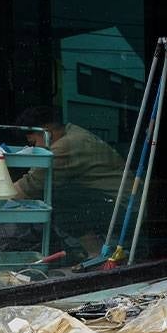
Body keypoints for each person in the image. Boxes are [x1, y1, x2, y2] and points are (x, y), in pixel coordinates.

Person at [13, 106, 125, 257]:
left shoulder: (65, 146)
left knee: (58, 198)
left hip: (125, 207)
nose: (33, 148)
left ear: (46, 131)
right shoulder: (73, 131)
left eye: (33, 143)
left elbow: (31, 186)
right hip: (117, 201)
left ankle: (97, 254)